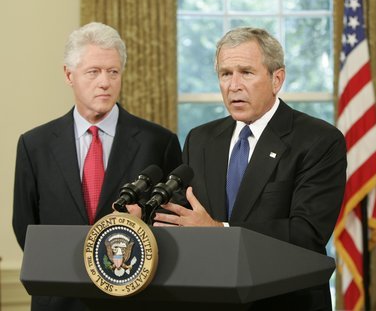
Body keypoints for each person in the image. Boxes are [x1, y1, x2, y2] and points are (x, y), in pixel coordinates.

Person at [151, 27, 347, 310]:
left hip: (285, 301)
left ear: (277, 79)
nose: (234, 85)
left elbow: (306, 233)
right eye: (225, 74)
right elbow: (185, 217)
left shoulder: (318, 140)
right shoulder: (200, 139)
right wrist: (145, 218)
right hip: (211, 299)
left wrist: (220, 231)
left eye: (246, 72)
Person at [12, 22, 182, 311]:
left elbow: (175, 223)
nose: (105, 82)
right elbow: (25, 226)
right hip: (59, 299)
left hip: (136, 298)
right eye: (93, 72)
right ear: (69, 74)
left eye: (113, 72)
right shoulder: (34, 145)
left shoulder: (159, 142)